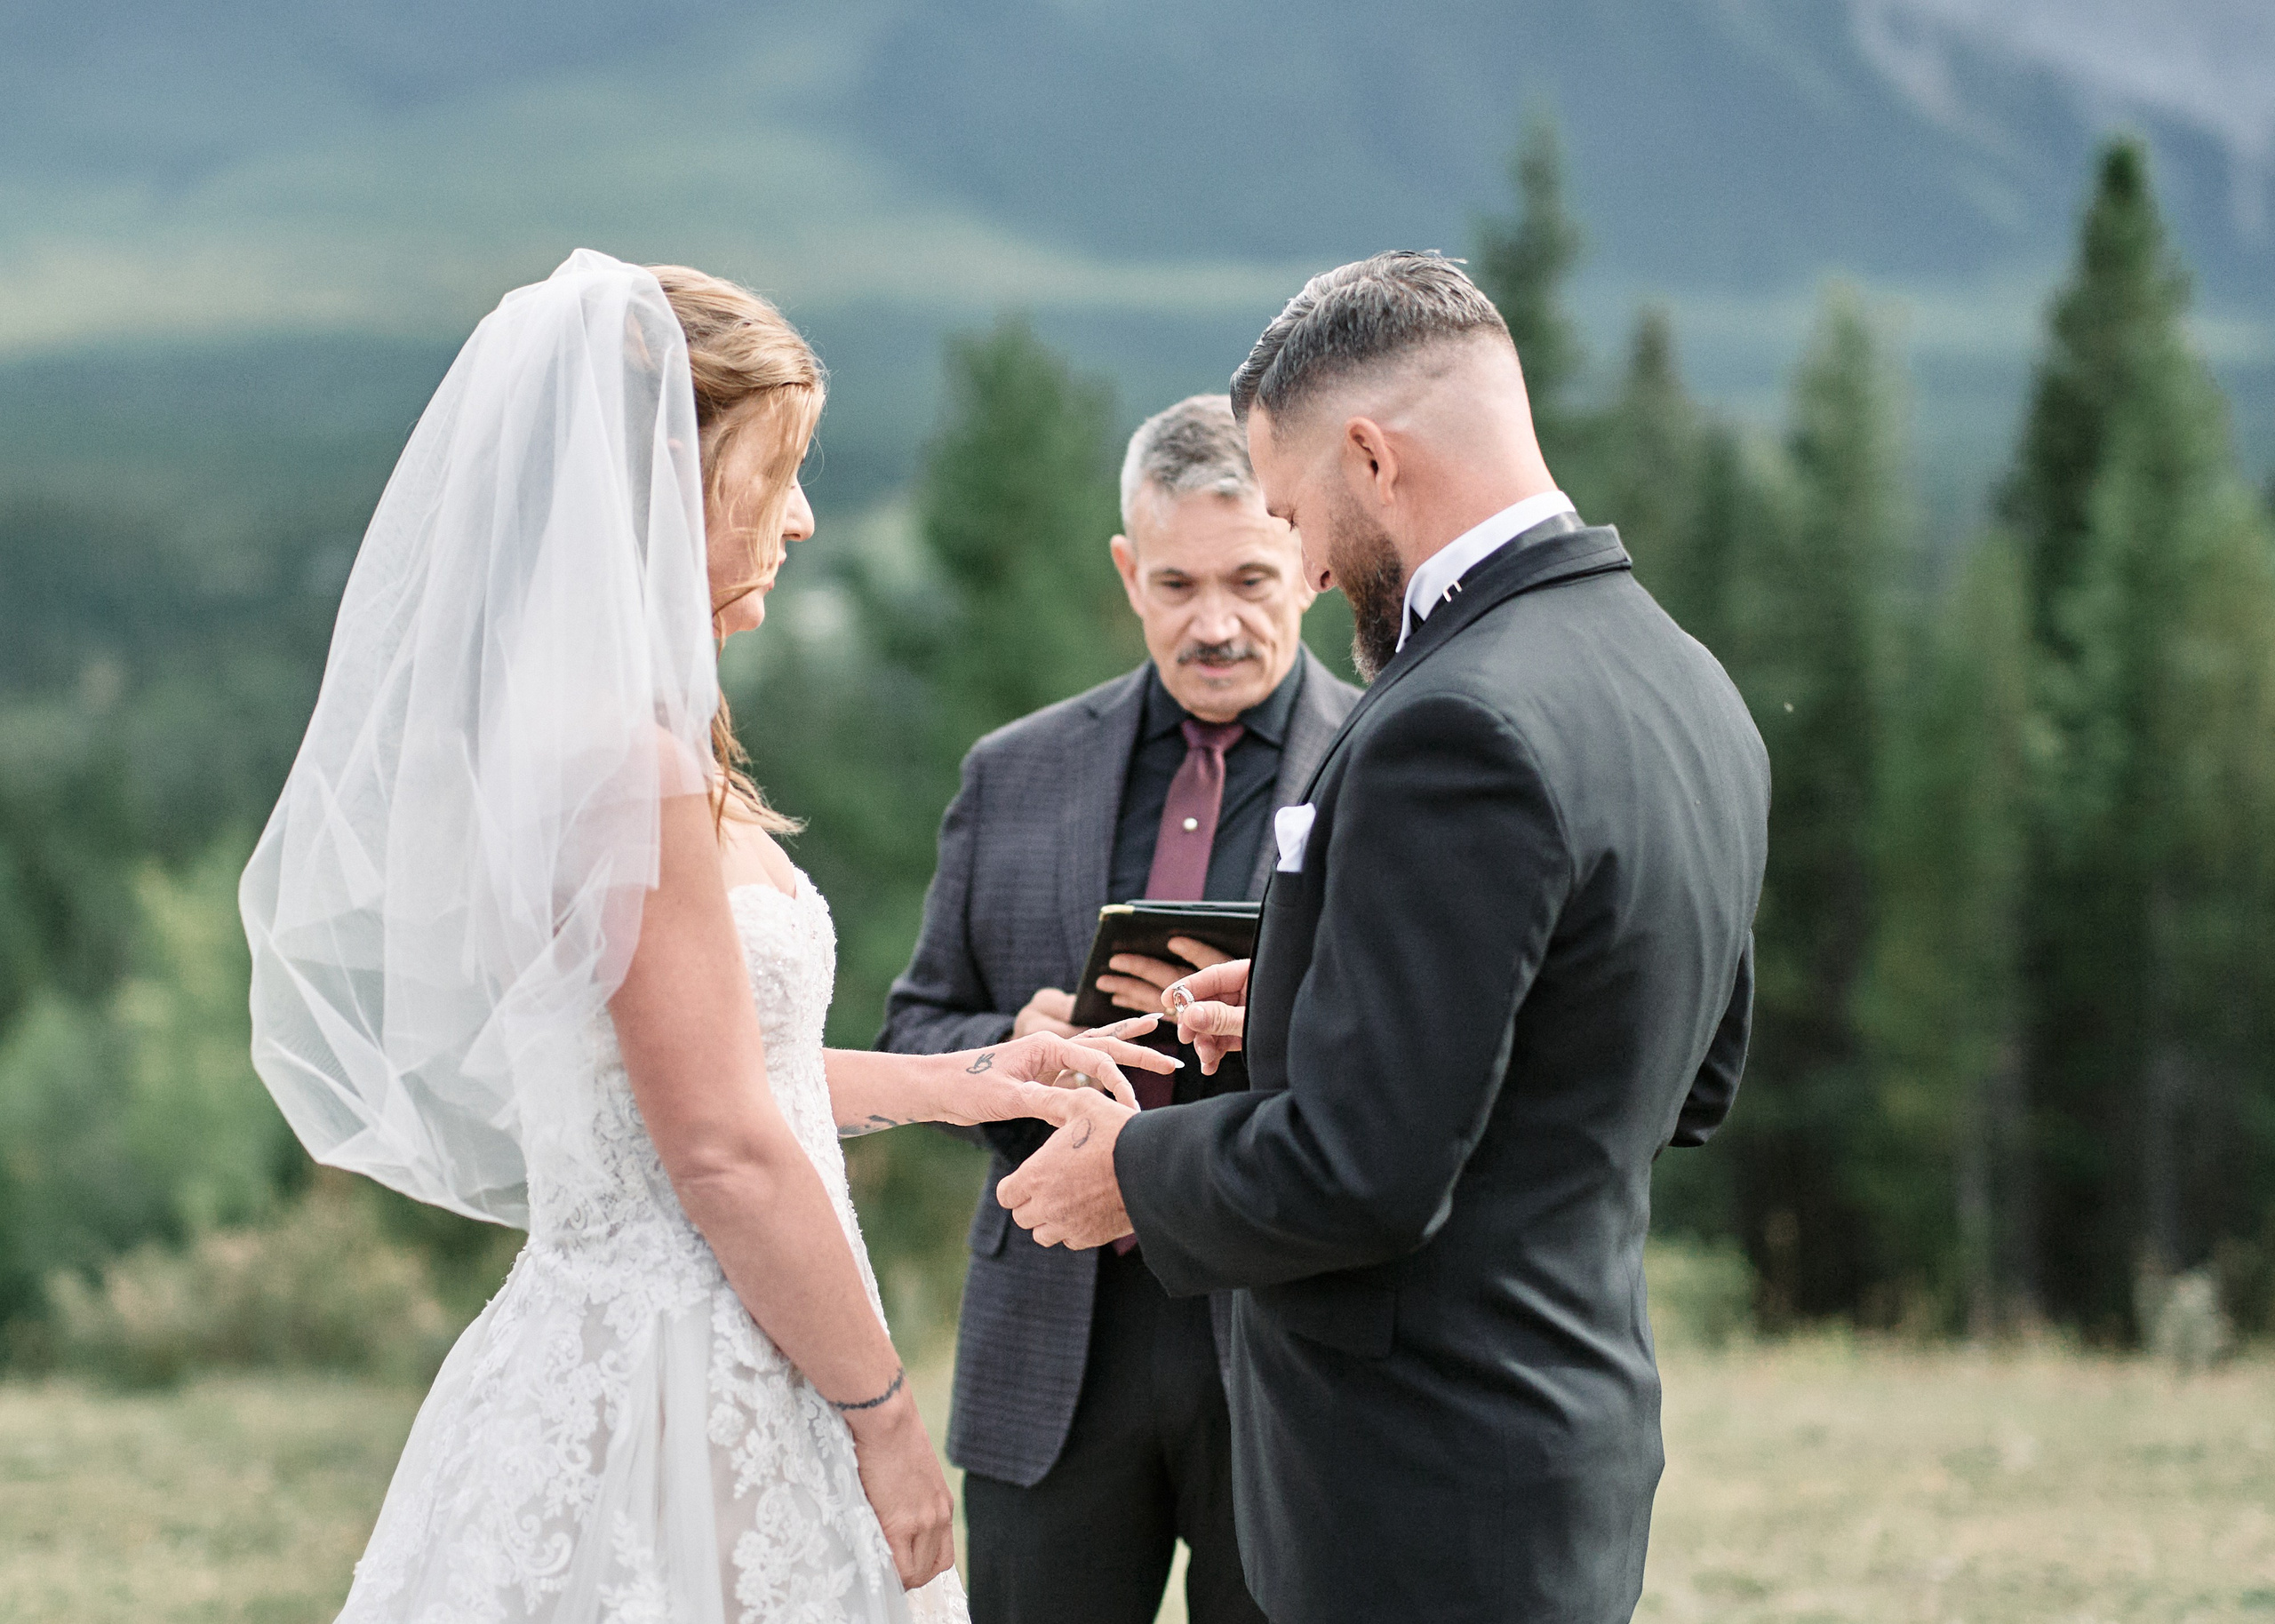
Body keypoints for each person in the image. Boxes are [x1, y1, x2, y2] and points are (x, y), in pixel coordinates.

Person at [238, 251, 1175, 1624]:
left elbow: (710, 1069)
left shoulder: (622, 740)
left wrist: (972, 1078)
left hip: (704, 1338)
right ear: (666, 480)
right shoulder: (629, 766)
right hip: (685, 1385)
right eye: (773, 470)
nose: (799, 521)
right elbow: (728, 1149)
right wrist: (884, 1416)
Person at [995, 252, 1771, 1623]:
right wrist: (1309, 1000)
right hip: (1558, 1436)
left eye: (1292, 512)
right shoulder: (1678, 676)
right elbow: (1672, 1068)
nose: (1302, 560)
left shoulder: (1448, 722)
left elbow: (1361, 1173)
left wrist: (1132, 1170)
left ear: (1370, 454)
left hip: (1418, 1479)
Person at [878, 394, 1358, 1624]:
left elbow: (1415, 1054)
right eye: (1176, 584)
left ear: (1306, 563)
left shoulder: (1387, 764)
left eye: (1251, 579)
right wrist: (1003, 1057)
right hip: (1053, 1347)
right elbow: (914, 1030)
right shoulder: (1013, 770)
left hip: (1290, 1337)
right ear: (1125, 571)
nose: (1214, 623)